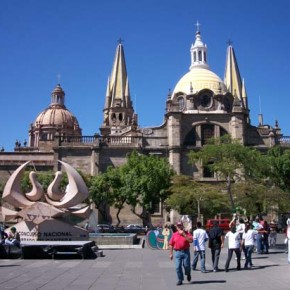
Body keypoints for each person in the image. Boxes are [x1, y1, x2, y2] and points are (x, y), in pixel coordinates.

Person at [169, 221, 193, 286]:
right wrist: (171, 254)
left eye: (180, 225)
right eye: (178, 226)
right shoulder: (174, 234)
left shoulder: (187, 233)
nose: (180, 227)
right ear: (177, 227)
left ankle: (188, 274)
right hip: (177, 252)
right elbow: (171, 244)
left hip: (186, 252)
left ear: (182, 226)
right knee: (177, 267)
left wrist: (184, 235)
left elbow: (191, 240)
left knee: (187, 266)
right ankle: (180, 279)